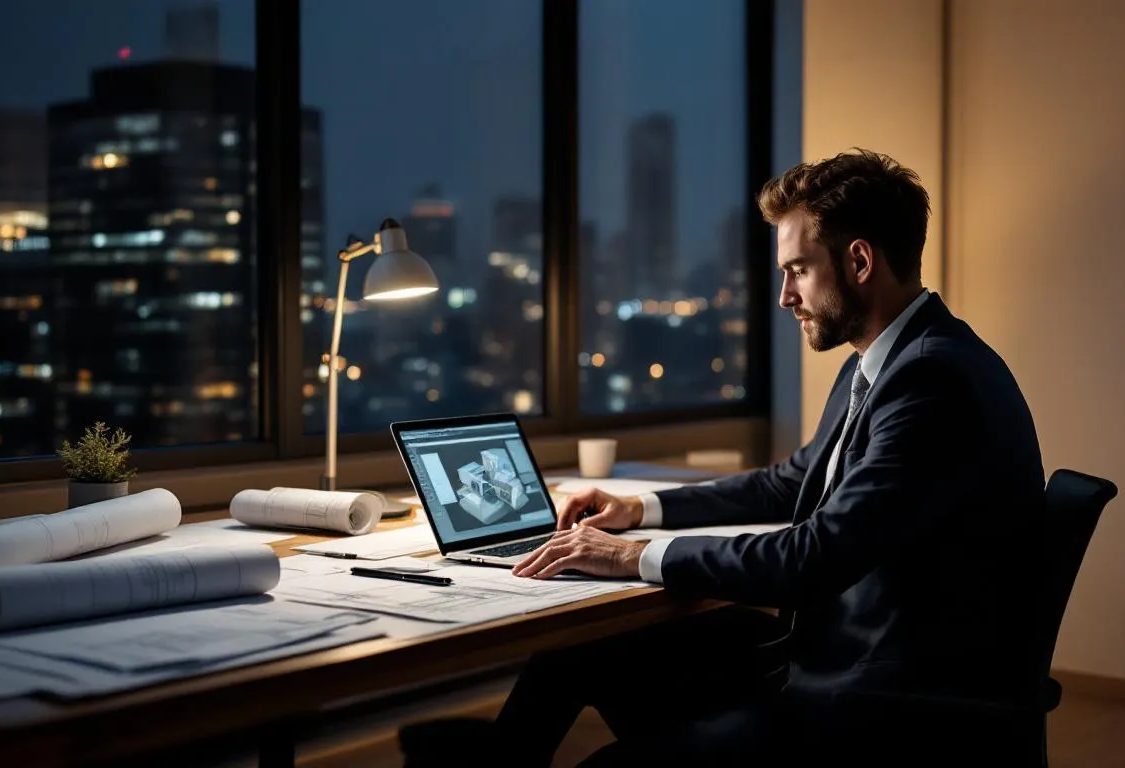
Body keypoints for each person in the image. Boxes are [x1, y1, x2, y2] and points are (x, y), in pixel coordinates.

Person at [400, 149, 1045, 766]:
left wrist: (631, 556)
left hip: (880, 700)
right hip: (844, 648)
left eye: (797, 270)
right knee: (582, 647)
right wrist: (638, 510)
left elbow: (813, 558)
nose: (785, 296)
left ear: (859, 261)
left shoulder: (931, 380)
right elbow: (789, 483)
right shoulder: (887, 362)